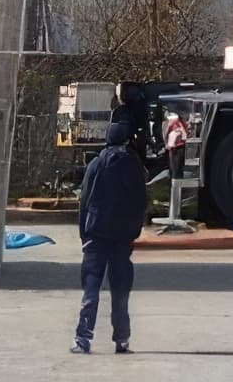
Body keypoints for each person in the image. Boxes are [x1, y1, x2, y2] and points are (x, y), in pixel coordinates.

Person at [75, 117, 148, 356]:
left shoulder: (96, 165)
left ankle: (83, 338)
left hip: (96, 235)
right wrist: (133, 232)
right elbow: (141, 202)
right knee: (120, 290)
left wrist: (83, 234)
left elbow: (84, 201)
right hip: (122, 238)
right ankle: (122, 339)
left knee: (91, 289)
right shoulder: (134, 165)